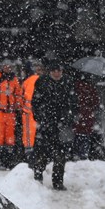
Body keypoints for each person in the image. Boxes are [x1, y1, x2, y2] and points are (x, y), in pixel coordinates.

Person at [32, 60, 78, 190]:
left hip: (63, 124)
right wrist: (40, 117)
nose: (57, 73)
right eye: (54, 71)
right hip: (46, 123)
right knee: (42, 152)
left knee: (61, 155)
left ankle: (58, 182)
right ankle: (37, 177)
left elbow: (74, 102)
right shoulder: (42, 82)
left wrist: (70, 117)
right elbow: (35, 101)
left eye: (59, 71)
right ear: (50, 71)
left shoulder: (68, 82)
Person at [0, 61, 23, 169]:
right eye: (6, 66)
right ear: (2, 67)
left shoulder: (14, 79)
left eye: (9, 66)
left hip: (10, 112)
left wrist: (19, 107)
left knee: (10, 138)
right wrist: (3, 78)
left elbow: (18, 94)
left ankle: (9, 160)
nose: (8, 68)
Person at [73, 75, 101, 160]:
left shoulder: (74, 87)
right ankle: (84, 154)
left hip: (77, 115)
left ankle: (76, 153)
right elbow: (95, 102)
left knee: (77, 136)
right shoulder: (90, 89)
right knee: (85, 136)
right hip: (87, 116)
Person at [21, 61, 41, 168]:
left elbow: (25, 97)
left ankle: (30, 160)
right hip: (37, 112)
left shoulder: (29, 81)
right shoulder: (37, 79)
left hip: (29, 113)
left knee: (29, 138)